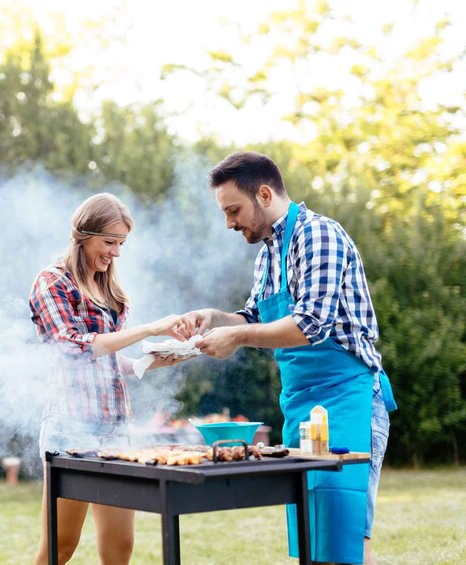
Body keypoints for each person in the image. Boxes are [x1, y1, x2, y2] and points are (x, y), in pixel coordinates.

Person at [177, 152, 397, 565]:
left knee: (342, 540)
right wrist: (215, 319)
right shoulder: (267, 254)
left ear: (264, 194)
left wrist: (238, 336)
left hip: (347, 401)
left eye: (233, 210)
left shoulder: (319, 236)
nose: (229, 223)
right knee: (311, 540)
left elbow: (310, 324)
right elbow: (254, 317)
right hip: (301, 408)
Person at [28, 192, 190, 564]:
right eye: (109, 242)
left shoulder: (109, 291)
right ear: (84, 234)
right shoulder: (52, 282)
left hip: (115, 430)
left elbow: (107, 358)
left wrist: (147, 363)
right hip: (70, 430)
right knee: (60, 546)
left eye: (121, 244)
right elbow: (74, 348)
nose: (116, 252)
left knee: (120, 548)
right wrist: (149, 329)